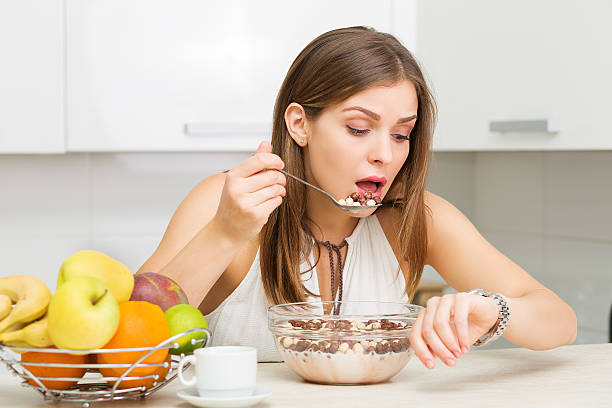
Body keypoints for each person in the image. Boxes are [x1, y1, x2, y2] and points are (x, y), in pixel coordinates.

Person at [138, 26, 577, 368]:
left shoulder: (415, 219)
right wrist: (224, 232)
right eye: (358, 129)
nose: (384, 155)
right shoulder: (226, 203)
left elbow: (559, 320)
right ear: (299, 125)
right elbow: (123, 342)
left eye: (402, 133)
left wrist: (492, 310)